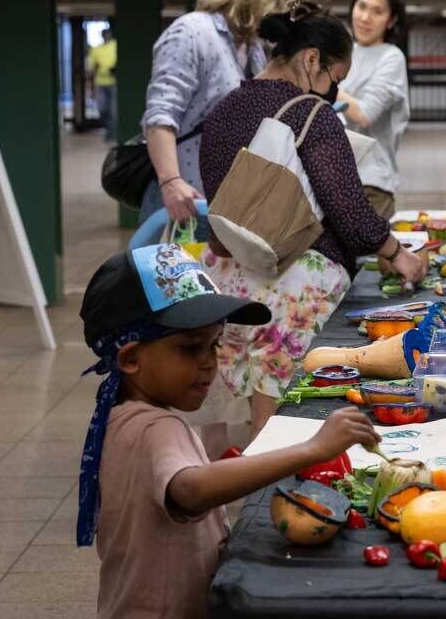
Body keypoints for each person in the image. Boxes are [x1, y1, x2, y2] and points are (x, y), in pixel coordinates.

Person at [76, 243, 381, 619]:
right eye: (190, 348)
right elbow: (192, 488)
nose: (209, 363)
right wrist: (313, 449)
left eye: (214, 344)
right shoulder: (156, 428)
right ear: (131, 358)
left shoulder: (121, 416)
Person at [199, 0, 426, 434]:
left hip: (229, 281)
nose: (331, 91)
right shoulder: (311, 113)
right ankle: (269, 494)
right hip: (291, 285)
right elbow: (349, 209)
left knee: (236, 407)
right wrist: (399, 254)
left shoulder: (223, 111)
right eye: (333, 78)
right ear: (311, 59)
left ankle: (226, 493)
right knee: (280, 423)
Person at [141, 0, 306, 224]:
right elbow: (160, 116)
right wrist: (171, 181)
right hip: (182, 198)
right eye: (283, 7)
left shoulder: (252, 47)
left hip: (223, 202)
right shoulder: (192, 32)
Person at [334, 0, 411, 219]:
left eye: (377, 11)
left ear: (392, 20)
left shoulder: (391, 57)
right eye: (362, 6)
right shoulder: (341, 51)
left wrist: (322, 82)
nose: (365, 17)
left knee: (367, 257)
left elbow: (365, 114)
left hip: (371, 184)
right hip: (331, 179)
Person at [86, 21, 117, 142]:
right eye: (104, 34)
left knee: (114, 111)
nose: (106, 36)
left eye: (107, 34)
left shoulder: (116, 45)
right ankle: (109, 130)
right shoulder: (96, 49)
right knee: (103, 109)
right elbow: (90, 66)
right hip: (101, 82)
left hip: (114, 83)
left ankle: (113, 135)